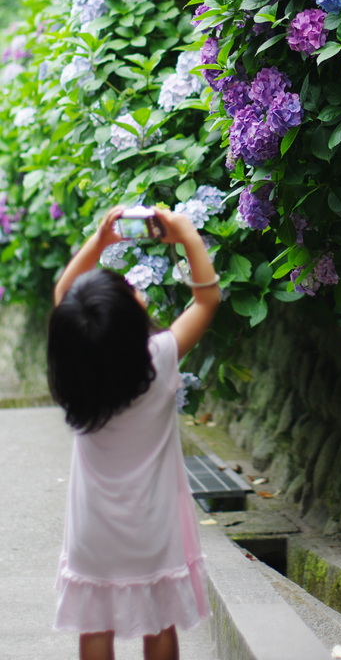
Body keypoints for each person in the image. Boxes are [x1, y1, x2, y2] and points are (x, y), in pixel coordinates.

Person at [47, 205, 221, 660]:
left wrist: (99, 242)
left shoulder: (75, 367)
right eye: (128, 291)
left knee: (94, 626)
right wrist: (185, 234)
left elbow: (64, 292)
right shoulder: (158, 359)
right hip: (151, 527)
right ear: (129, 320)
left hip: (92, 530)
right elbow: (206, 300)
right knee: (160, 623)